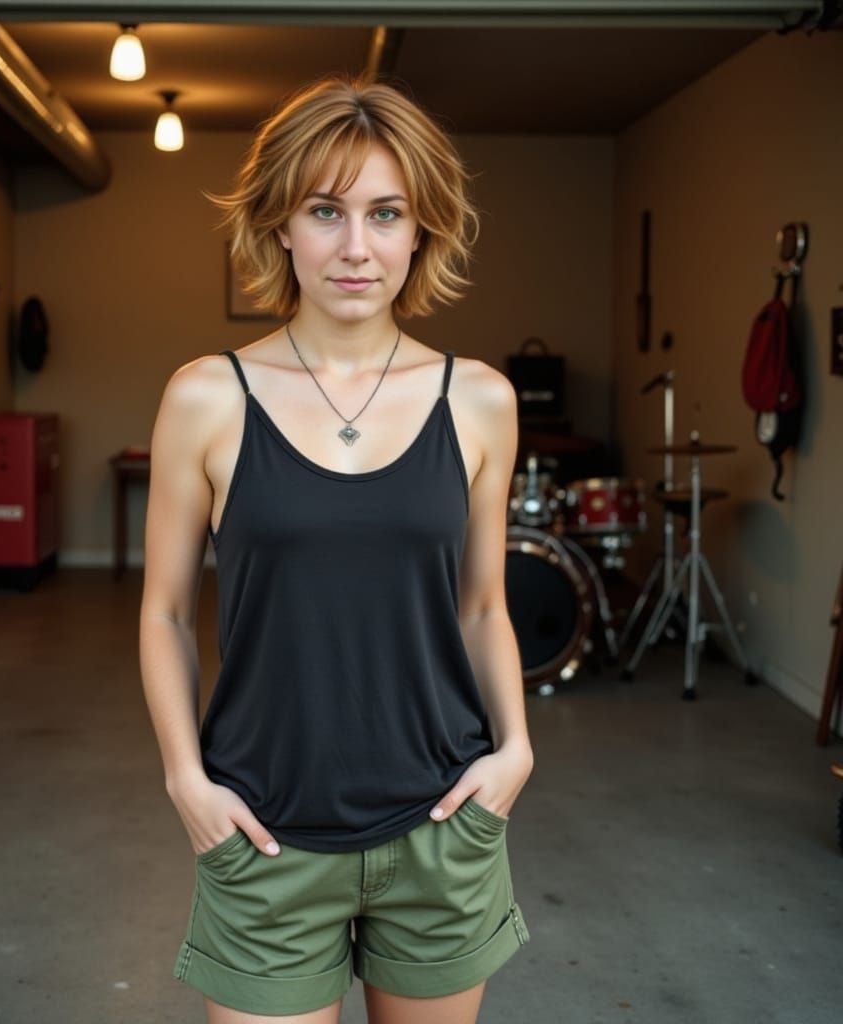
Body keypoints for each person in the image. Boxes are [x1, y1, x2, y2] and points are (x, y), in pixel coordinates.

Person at [139, 73, 533, 1024]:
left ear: (420, 230)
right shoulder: (207, 397)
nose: (356, 247)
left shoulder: (480, 400)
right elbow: (160, 611)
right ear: (281, 224)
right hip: (265, 831)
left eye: (386, 213)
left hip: (443, 825)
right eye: (326, 210)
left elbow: (483, 604)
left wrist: (515, 750)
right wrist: (185, 779)